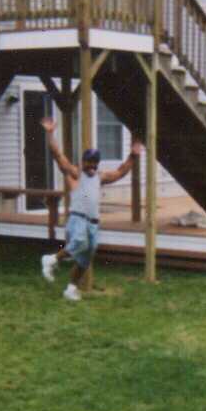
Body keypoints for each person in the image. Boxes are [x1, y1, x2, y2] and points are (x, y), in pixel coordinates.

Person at [39, 117, 142, 301]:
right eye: (89, 162)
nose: (92, 166)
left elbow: (120, 172)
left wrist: (133, 156)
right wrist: (50, 133)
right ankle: (51, 259)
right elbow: (57, 155)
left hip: (94, 224)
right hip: (78, 219)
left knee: (85, 258)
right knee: (78, 242)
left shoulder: (100, 177)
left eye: (95, 162)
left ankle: (71, 289)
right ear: (83, 161)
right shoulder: (75, 173)